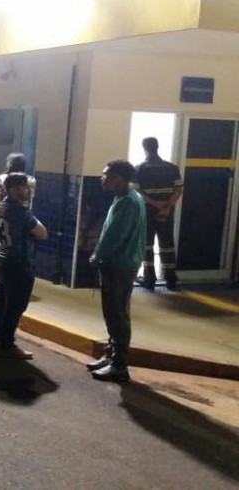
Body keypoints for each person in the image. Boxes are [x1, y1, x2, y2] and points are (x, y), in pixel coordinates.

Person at [88, 159, 146, 383]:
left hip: (119, 264)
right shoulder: (126, 197)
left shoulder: (127, 202)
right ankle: (111, 355)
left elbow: (114, 235)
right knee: (114, 311)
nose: (102, 178)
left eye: (106, 174)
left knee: (116, 313)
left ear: (119, 177)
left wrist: (98, 255)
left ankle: (119, 365)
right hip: (122, 262)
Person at [0, 174, 48, 359]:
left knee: (1, 302)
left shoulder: (0, 206)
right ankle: (7, 344)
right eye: (25, 188)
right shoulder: (20, 211)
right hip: (19, 264)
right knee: (15, 307)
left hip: (2, 260)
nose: (29, 191)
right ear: (14, 189)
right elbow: (42, 233)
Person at [135, 137, 183, 291]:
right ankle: (171, 280)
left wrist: (155, 204)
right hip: (167, 213)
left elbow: (137, 191)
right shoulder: (172, 168)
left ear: (144, 148)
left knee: (147, 245)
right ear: (158, 146)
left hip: (148, 212)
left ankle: (149, 279)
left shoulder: (139, 169)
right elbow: (178, 190)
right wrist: (167, 207)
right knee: (167, 244)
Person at [0, 153, 37, 295]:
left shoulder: (2, 179)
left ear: (9, 164)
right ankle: (20, 287)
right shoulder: (31, 180)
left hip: (4, 219)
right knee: (24, 253)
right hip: (26, 219)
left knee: (1, 252)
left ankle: (0, 287)